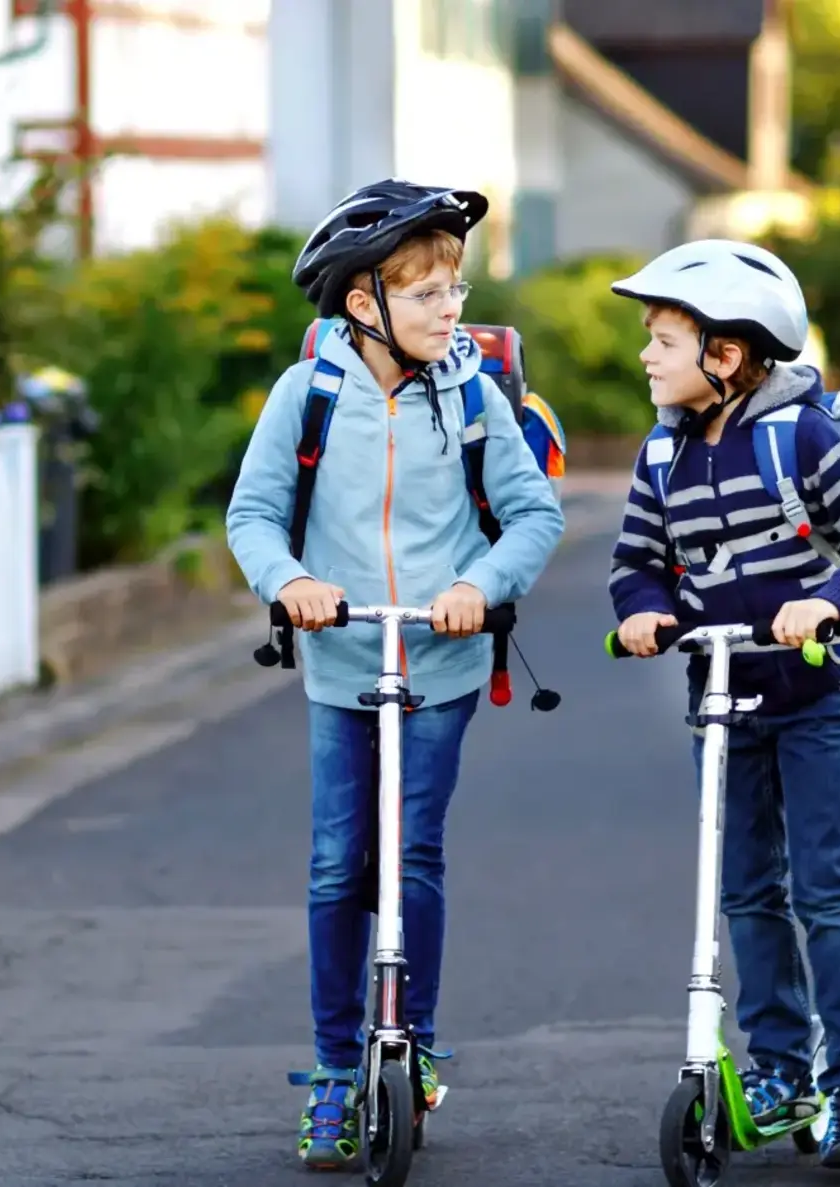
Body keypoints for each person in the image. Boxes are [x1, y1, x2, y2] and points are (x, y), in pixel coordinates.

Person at [225, 179, 565, 1170]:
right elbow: (250, 514)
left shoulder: (470, 392)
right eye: (425, 293)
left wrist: (478, 581)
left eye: (454, 288)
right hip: (341, 657)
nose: (449, 309)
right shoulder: (309, 393)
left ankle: (405, 1044)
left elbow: (534, 512)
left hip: (441, 657)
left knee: (410, 852)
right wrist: (290, 580)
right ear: (363, 303)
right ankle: (336, 1067)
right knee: (339, 862)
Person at [605, 240, 840, 1170]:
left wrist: (829, 600)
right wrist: (646, 613)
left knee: (827, 891)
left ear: (729, 354)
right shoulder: (662, 454)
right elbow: (636, 563)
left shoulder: (802, 438)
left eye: (663, 338)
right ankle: (781, 1066)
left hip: (815, 698)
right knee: (746, 893)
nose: (646, 356)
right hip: (722, 701)